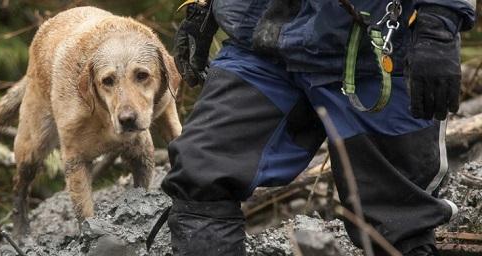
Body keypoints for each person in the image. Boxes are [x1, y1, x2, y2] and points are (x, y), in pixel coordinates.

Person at [161, 0, 476, 255]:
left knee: (398, 220)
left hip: (375, 52)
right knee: (202, 174)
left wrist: (439, 23)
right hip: (262, 42)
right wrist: (204, 7)